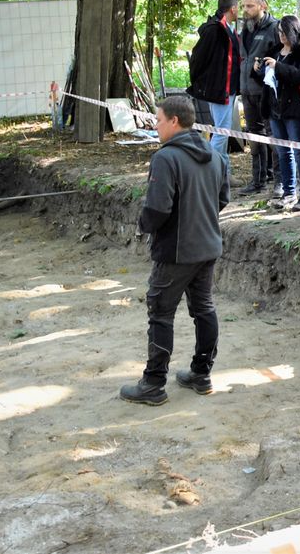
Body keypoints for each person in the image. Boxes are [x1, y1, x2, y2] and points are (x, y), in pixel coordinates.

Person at [121, 95, 230, 406]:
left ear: (174, 121)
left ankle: (154, 383)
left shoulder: (165, 158)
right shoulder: (215, 154)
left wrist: (143, 225)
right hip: (208, 245)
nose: (155, 126)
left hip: (176, 252)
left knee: (160, 313)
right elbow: (222, 199)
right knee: (204, 309)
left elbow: (157, 208)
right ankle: (201, 374)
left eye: (157, 120)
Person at [258, 16, 300, 212]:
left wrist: (278, 66)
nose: (282, 36)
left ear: (294, 31)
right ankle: (289, 192)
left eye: (285, 32)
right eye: (279, 32)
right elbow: (265, 79)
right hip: (275, 110)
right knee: (283, 153)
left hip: (295, 110)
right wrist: (258, 69)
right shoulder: (275, 50)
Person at [186, 0, 241, 156]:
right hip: (218, 89)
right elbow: (198, 59)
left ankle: (222, 173)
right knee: (222, 132)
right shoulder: (215, 30)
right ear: (233, 9)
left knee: (223, 130)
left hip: (227, 88)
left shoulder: (229, 29)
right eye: (239, 7)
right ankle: (211, 171)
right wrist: (202, 83)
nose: (241, 11)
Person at [236, 0, 279, 195]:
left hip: (266, 92)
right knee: (254, 137)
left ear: (263, 6)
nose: (246, 10)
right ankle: (258, 179)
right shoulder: (245, 28)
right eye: (244, 6)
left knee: (273, 137)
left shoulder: (275, 28)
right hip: (247, 91)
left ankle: (281, 181)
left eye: (250, 6)